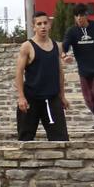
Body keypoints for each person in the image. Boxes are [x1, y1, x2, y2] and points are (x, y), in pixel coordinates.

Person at [15, 11, 70, 141]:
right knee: (25, 140)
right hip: (31, 99)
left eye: (45, 23)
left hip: (52, 98)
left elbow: (60, 72)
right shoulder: (27, 46)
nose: (43, 26)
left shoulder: (57, 46)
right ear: (34, 27)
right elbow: (19, 72)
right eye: (39, 24)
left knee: (61, 140)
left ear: (49, 25)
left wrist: (62, 96)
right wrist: (21, 97)